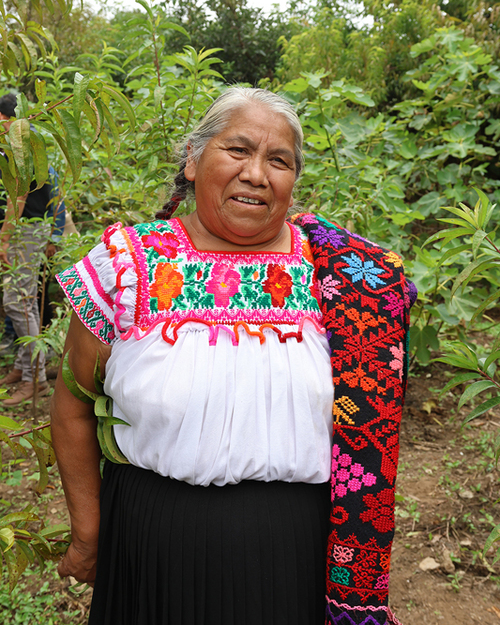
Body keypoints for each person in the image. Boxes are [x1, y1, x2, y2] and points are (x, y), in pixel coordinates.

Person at [51, 87, 413, 625]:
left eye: (279, 160)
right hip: (151, 541)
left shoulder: (342, 278)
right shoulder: (128, 264)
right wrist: (88, 532)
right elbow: (73, 404)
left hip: (291, 552)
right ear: (194, 159)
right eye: (238, 150)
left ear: (294, 179)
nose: (256, 174)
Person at [0, 92, 65, 405]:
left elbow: (19, 196)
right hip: (29, 228)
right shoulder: (29, 143)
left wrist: (5, 236)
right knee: (17, 300)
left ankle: (36, 379)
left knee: (20, 301)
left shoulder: (19, 146)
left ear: (7, 119)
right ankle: (23, 368)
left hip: (27, 229)